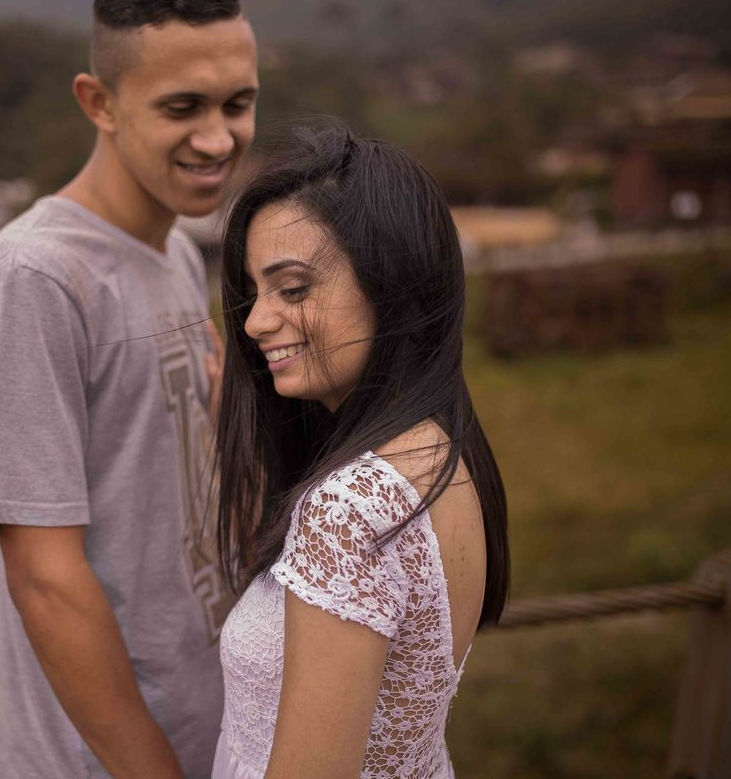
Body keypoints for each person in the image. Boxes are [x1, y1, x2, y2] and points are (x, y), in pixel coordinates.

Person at [0, 0, 258, 777]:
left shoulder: (178, 252)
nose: (218, 138)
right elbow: (44, 578)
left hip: (213, 731)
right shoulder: (34, 278)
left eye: (238, 103)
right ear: (100, 102)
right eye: (183, 107)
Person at [211, 123, 511, 778]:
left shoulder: (350, 510)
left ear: (392, 283)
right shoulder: (439, 453)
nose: (255, 322)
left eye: (293, 289)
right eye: (254, 292)